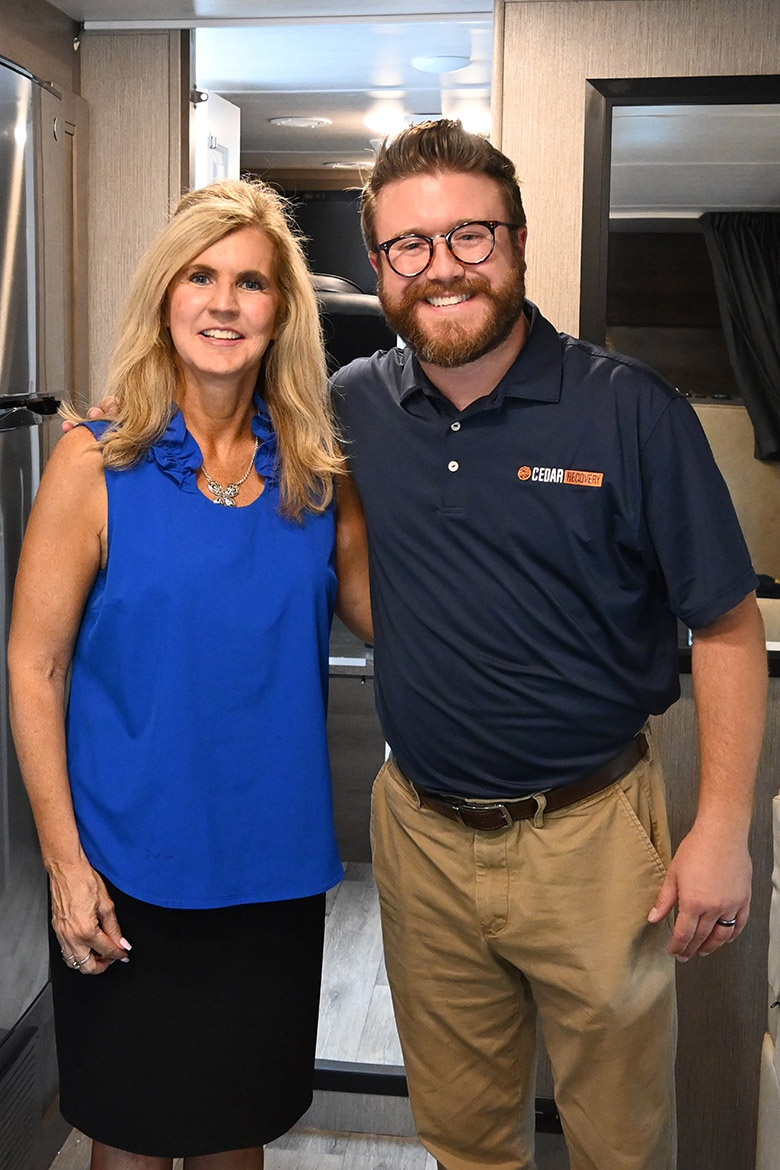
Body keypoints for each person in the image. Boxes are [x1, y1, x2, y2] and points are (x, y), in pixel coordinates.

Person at [328, 121, 767, 1170]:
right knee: (466, 1137)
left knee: (620, 1141)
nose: (443, 269)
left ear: (519, 242)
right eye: (410, 246)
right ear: (379, 264)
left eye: (470, 237)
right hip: (422, 834)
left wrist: (720, 829)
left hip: (592, 840)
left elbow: (728, 620)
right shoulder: (353, 407)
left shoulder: (631, 410)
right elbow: (347, 565)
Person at [8, 178, 369, 1170]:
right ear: (166, 296)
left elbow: (398, 621)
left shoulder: (317, 473)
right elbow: (33, 668)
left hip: (271, 873)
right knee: (127, 1138)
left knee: (232, 1132)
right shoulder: (95, 460)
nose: (222, 302)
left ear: (282, 311)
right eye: (200, 276)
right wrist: (66, 866)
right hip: (127, 870)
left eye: (250, 283)